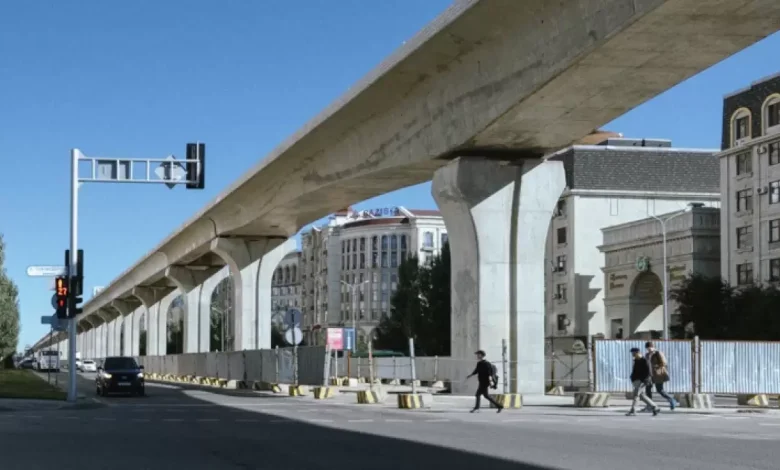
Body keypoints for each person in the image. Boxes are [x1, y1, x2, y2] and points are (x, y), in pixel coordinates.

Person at [642, 341, 677, 411]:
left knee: (660, 390)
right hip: (649, 375)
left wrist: (655, 366)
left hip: (658, 374)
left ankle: (672, 400)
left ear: (653, 347)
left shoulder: (657, 353)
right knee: (648, 390)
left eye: (650, 347)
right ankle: (650, 405)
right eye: (648, 348)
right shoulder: (647, 355)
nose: (649, 349)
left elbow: (664, 363)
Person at [626, 347, 659, 416]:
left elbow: (649, 371)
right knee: (642, 396)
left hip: (643, 380)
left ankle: (633, 410)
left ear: (637, 352)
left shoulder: (644, 360)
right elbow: (635, 371)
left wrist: (646, 380)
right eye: (632, 353)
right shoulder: (636, 360)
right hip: (637, 380)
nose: (632, 354)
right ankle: (654, 407)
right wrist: (632, 378)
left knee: (636, 395)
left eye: (633, 353)